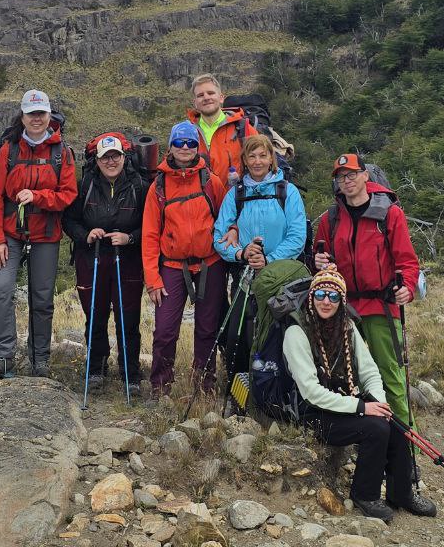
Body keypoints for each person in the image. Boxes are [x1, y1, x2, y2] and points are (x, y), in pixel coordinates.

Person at [283, 266, 438, 522]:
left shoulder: (347, 327)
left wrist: (378, 403)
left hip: (345, 401)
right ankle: (364, 494)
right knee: (375, 429)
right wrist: (362, 408)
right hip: (312, 413)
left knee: (394, 422)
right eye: (320, 294)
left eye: (333, 297)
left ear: (341, 301)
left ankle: (401, 493)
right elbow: (310, 392)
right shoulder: (296, 333)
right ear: (311, 297)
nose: (326, 301)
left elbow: (369, 371)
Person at [312, 154, 422, 444]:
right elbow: (318, 258)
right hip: (344, 308)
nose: (346, 181)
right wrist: (319, 261)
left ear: (365, 176)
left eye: (351, 174)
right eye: (341, 177)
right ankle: (367, 437)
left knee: (390, 375)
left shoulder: (389, 214)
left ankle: (406, 444)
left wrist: (407, 288)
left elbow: (407, 261)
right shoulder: (330, 218)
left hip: (381, 306)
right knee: (351, 374)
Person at [0, 89, 77, 378]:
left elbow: (68, 195)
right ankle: (5, 356)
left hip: (45, 233)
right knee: (0, 288)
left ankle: (40, 360)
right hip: (9, 233)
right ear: (21, 116)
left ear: (49, 116)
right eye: (31, 113)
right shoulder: (8, 150)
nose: (36, 119)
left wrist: (37, 196)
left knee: (42, 297)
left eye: (41, 113)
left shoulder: (62, 153)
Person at [141, 120, 227, 397]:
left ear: (198, 146)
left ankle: (205, 386)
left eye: (191, 142)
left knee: (206, 329)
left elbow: (226, 220)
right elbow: (150, 235)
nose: (186, 148)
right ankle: (160, 386)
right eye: (179, 142)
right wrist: (153, 279)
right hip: (172, 266)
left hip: (209, 264)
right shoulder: (159, 187)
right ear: (171, 146)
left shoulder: (210, 181)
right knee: (165, 331)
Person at [212, 134, 306, 375]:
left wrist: (268, 261)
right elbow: (219, 237)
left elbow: (297, 237)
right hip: (246, 279)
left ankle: (278, 392)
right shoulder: (236, 194)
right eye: (251, 156)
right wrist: (242, 252)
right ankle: (240, 389)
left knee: (280, 335)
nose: (257, 161)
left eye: (263, 155)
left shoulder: (288, 192)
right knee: (238, 336)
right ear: (244, 159)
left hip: (282, 279)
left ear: (271, 158)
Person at [63, 132, 148, 394]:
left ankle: (130, 372)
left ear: (124, 157)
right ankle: (96, 367)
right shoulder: (84, 185)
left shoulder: (140, 187)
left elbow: (151, 226)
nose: (111, 161)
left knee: (128, 317)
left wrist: (130, 237)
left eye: (116, 156)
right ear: (97, 160)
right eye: (105, 157)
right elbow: (69, 221)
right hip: (92, 257)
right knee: (95, 315)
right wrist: (86, 235)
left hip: (128, 259)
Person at [186, 73, 257, 186]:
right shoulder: (185, 132)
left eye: (211, 93)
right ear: (195, 103)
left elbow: (263, 165)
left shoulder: (243, 129)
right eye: (200, 95)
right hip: (200, 201)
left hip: (235, 200)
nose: (206, 98)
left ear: (221, 98)